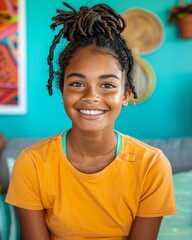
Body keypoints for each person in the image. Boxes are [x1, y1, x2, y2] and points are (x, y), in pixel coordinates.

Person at [5, 2, 177, 240]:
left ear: (125, 95)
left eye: (107, 85)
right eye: (77, 83)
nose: (91, 96)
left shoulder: (152, 166)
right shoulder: (32, 164)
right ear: (62, 90)